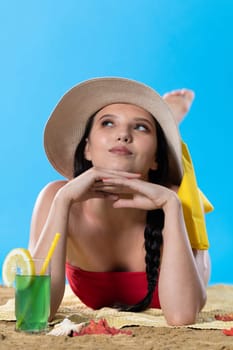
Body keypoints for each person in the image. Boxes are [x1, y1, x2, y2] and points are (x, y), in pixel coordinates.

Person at [28, 77, 212, 326]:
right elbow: (31, 311)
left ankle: (169, 124)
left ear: (157, 159)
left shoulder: (180, 200)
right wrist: (63, 201)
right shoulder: (56, 198)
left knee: (186, 196)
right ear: (87, 150)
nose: (123, 135)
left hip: (173, 195)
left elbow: (182, 317)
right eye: (108, 123)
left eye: (140, 127)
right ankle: (164, 117)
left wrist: (171, 205)